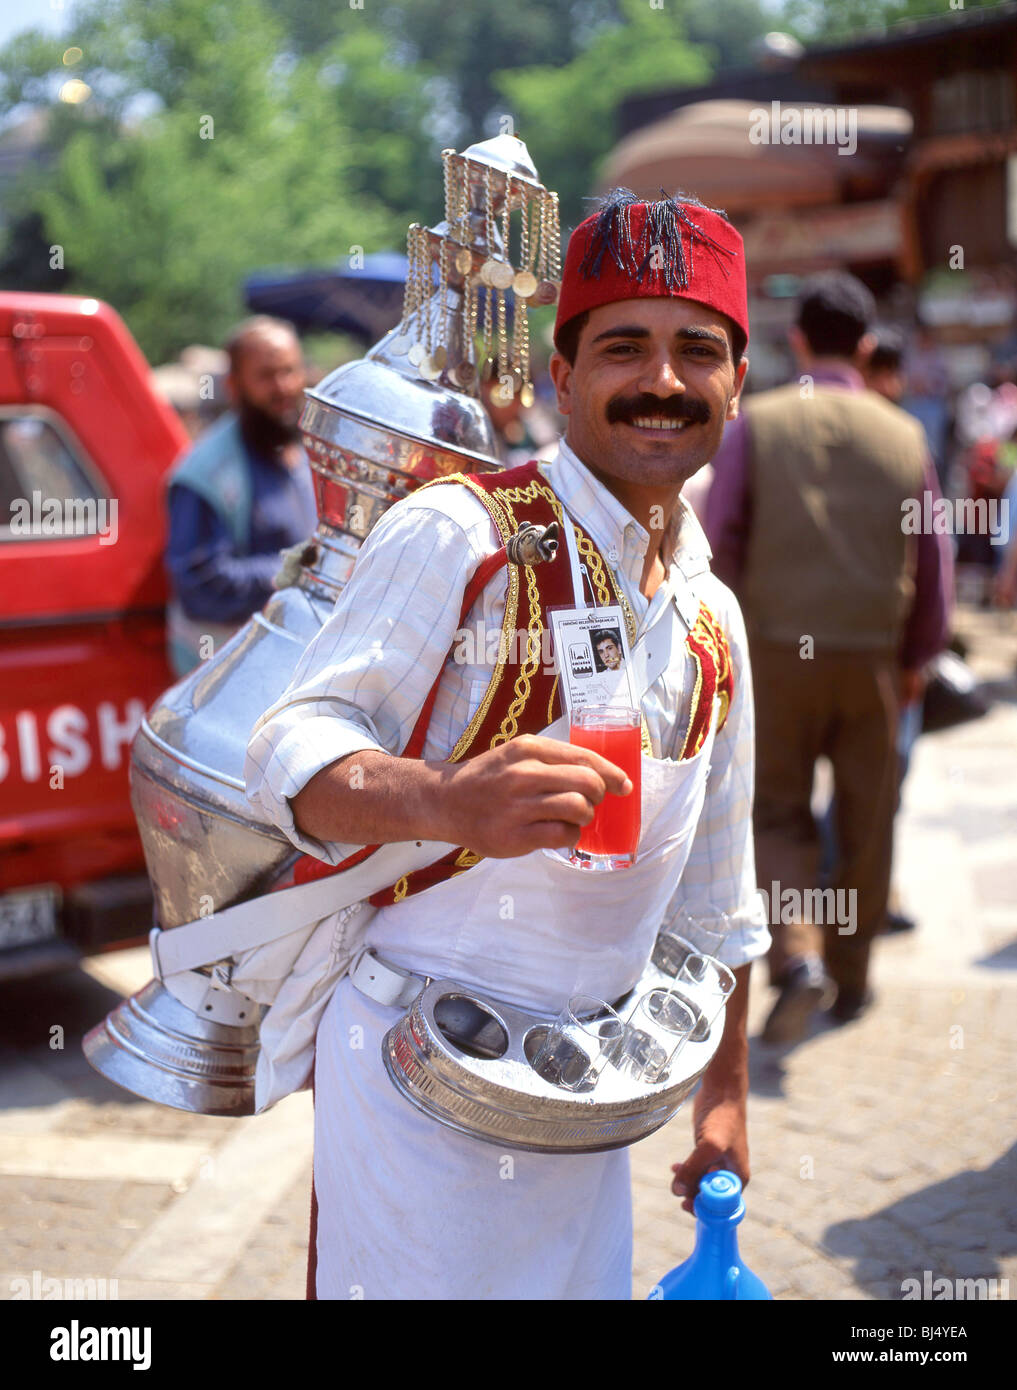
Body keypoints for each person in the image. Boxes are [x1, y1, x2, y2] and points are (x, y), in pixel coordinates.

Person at [245, 188, 771, 1300]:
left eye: (698, 351)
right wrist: (445, 800)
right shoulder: (464, 534)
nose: (664, 382)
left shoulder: (713, 616)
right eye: (625, 347)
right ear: (563, 378)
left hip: (587, 1098)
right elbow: (290, 747)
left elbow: (718, 899)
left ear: (737, 384)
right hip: (413, 1088)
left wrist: (723, 1094)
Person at [707, 272, 953, 1044]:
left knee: (774, 814)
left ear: (800, 342)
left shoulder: (759, 424)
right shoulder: (904, 434)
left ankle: (796, 957)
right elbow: (934, 559)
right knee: (866, 822)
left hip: (775, 653)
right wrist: (915, 658)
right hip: (874, 659)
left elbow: (720, 544)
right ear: (868, 346)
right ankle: (851, 979)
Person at [165, 316, 317, 675]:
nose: (282, 386)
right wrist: (305, 568)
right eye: (266, 375)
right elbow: (203, 587)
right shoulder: (204, 473)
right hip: (228, 678)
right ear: (235, 385)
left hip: (296, 663)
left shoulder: (308, 450)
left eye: (290, 371)